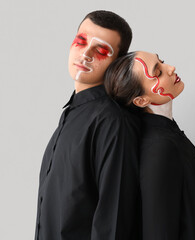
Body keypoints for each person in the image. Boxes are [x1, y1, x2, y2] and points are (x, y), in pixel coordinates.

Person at [35, 11, 141, 240]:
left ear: (116, 62)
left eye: (101, 51)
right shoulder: (70, 115)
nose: (85, 54)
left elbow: (114, 222)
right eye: (81, 42)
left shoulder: (112, 122)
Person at [104, 51, 195, 240]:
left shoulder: (168, 135)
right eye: (157, 72)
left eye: (162, 62)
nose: (170, 68)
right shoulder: (159, 148)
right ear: (141, 100)